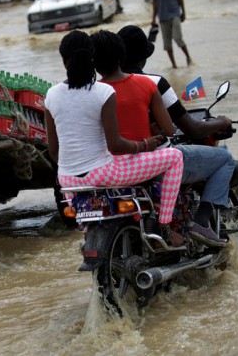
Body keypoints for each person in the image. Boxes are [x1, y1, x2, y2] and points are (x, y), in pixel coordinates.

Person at [44, 30, 185, 246]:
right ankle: (164, 227)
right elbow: (116, 145)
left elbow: (53, 151)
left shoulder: (52, 95)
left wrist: (70, 169)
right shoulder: (103, 91)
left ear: (64, 61)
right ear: (92, 58)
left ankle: (89, 239)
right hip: (104, 174)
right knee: (175, 157)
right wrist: (145, 144)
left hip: (68, 181)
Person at [117, 25, 233, 247]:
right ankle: (200, 222)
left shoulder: (103, 87)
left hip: (120, 164)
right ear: (143, 56)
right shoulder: (153, 83)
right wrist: (222, 121)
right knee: (225, 158)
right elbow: (192, 129)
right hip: (157, 161)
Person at [150, 0, 192, 69]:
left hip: (174, 13)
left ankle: (188, 57)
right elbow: (154, 1)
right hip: (162, 16)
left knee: (178, 38)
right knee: (167, 44)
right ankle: (174, 65)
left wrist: (183, 12)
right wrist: (153, 18)